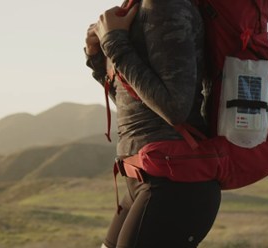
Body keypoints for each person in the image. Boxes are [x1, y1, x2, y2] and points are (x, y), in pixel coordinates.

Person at [84, 0, 221, 247]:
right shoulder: (139, 7)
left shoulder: (165, 6)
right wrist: (97, 58)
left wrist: (114, 42)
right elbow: (140, 107)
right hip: (144, 177)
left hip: (173, 184)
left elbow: (174, 108)